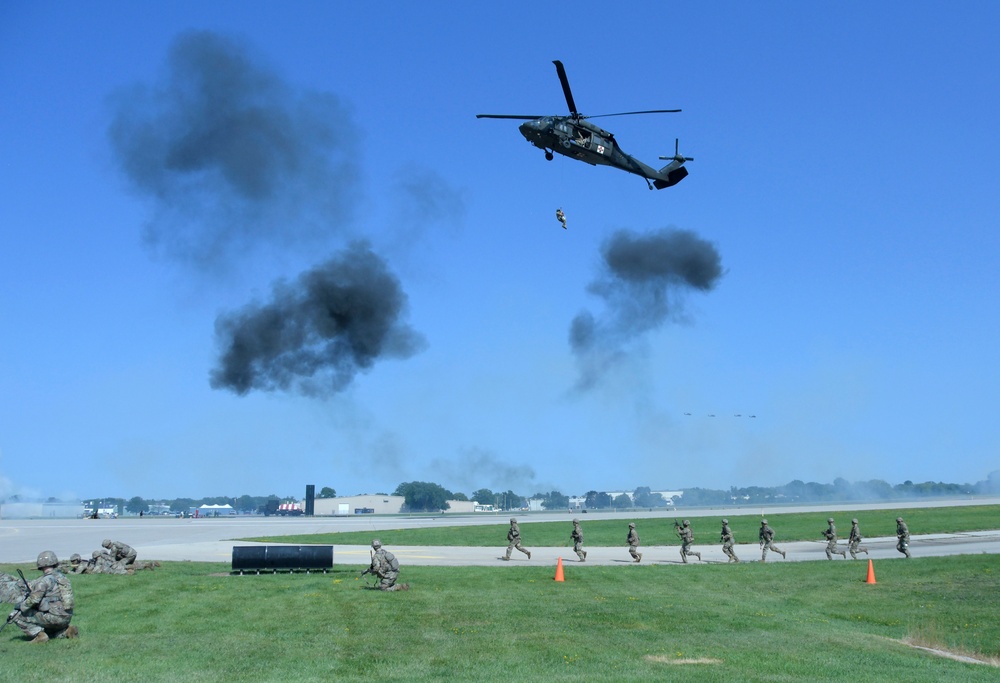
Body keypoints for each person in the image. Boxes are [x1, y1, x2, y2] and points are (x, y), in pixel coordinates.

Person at [9, 551, 78, 643]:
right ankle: (66, 631)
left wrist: (21, 606)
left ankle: (40, 636)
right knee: (48, 631)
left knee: (16, 615)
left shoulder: (44, 581)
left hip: (53, 617)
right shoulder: (62, 577)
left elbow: (33, 599)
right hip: (67, 617)